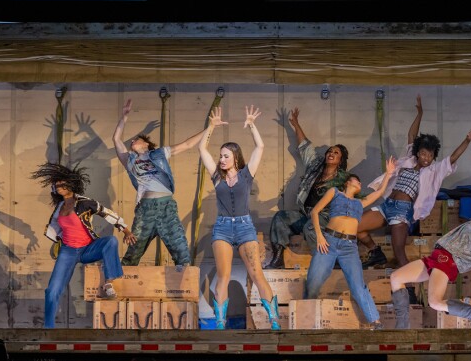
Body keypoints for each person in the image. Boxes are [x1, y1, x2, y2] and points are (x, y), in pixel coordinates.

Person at [360, 95, 471, 299]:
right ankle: (374, 250)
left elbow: (453, 157)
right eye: (424, 153)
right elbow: (412, 134)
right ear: (418, 152)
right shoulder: (408, 160)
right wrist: (420, 114)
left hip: (402, 211)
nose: (426, 158)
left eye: (431, 155)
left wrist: (467, 140)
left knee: (400, 253)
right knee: (355, 226)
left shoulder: (435, 170)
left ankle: (410, 292)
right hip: (387, 205)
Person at [198, 105, 280, 330]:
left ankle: (274, 319)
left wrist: (252, 124)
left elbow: (260, 146)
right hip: (222, 229)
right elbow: (201, 149)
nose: (221, 159)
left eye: (226, 156)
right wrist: (211, 127)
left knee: (256, 273)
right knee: (223, 276)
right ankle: (221, 322)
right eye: (220, 156)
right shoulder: (217, 177)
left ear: (235, 157)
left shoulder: (246, 174)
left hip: (245, 227)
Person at [389, 192, 471, 329]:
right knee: (396, 277)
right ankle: (402, 327)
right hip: (436, 256)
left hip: (448, 261)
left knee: (435, 302)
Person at [31, 163, 132, 329]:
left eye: (62, 184)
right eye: (56, 185)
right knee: (52, 290)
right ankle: (48, 328)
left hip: (87, 249)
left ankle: (109, 282)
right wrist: (56, 241)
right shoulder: (59, 208)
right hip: (68, 252)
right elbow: (55, 228)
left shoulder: (85, 203)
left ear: (72, 184)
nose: (59, 187)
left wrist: (126, 230)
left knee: (111, 241)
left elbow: (108, 214)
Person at [113, 99, 211, 266]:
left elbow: (187, 144)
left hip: (166, 206)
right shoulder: (130, 161)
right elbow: (116, 140)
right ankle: (122, 284)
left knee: (181, 250)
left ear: (146, 144)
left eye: (136, 139)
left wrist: (210, 127)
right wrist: (124, 117)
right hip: (145, 209)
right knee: (133, 251)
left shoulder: (158, 153)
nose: (131, 142)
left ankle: (185, 283)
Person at [304, 158, 397, 330]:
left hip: (349, 247)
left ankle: (375, 321)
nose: (360, 183)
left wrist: (389, 174)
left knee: (358, 286)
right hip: (329, 242)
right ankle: (305, 319)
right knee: (314, 280)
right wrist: (319, 236)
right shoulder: (335, 193)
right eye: (357, 180)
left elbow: (379, 193)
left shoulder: (360, 203)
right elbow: (315, 212)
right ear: (348, 182)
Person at [264, 107, 350, 269]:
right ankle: (278, 257)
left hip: (327, 218)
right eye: (330, 151)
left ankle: (328, 260)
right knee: (281, 217)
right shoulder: (315, 167)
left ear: (341, 160)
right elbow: (305, 146)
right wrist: (295, 124)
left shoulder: (344, 179)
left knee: (310, 227)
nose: (331, 153)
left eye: (336, 153)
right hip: (308, 213)